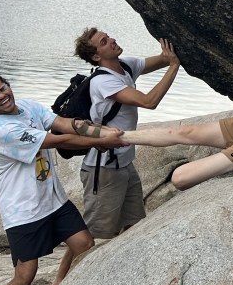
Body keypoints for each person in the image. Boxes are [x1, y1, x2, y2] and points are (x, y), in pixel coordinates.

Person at [0, 71, 126, 285]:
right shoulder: (3, 130)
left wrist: (97, 131)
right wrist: (100, 140)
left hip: (53, 199)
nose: (2, 96)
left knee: (83, 244)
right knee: (25, 274)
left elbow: (63, 123)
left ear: (8, 85)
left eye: (2, 88)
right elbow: (55, 141)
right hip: (23, 210)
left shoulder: (27, 107)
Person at [72, 29, 181, 239]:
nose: (113, 40)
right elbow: (149, 101)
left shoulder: (126, 65)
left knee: (135, 225)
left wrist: (171, 52)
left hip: (124, 164)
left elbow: (164, 59)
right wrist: (174, 66)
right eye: (104, 41)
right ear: (96, 56)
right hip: (104, 168)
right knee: (94, 236)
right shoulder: (103, 82)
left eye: (109, 36)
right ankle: (71, 263)